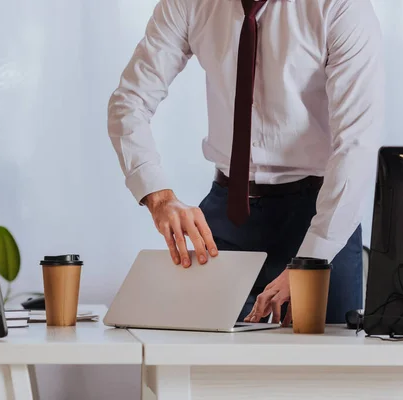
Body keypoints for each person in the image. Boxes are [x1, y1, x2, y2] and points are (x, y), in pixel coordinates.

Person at [107, 0, 384, 324]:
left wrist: (311, 260)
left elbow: (355, 144)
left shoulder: (340, 7)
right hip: (227, 215)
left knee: (327, 366)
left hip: (319, 214)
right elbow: (129, 102)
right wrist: (159, 197)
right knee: (198, 363)